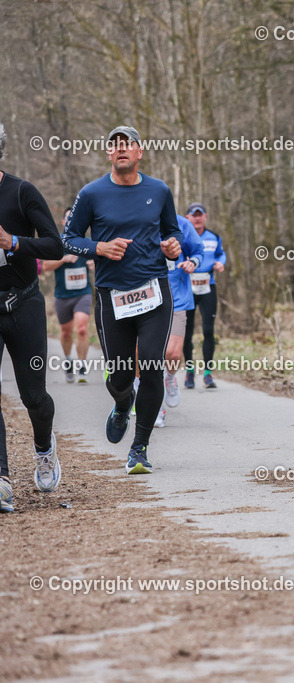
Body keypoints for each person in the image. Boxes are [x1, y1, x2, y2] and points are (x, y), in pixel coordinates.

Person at [63, 125, 182, 475]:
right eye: (114, 145)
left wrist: (173, 246)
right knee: (119, 376)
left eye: (127, 144)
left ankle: (140, 448)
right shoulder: (91, 193)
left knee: (151, 365)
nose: (120, 149)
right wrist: (97, 247)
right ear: (108, 154)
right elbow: (67, 239)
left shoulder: (159, 190)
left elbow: (172, 231)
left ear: (140, 152)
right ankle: (121, 402)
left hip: (153, 291)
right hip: (111, 296)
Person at [0, 120, 64, 511]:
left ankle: (43, 447)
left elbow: (55, 245)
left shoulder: (21, 191)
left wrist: (15, 242)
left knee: (34, 397)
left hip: (23, 302)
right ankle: (2, 478)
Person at [156, 214, 204, 427]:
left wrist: (192, 262)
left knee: (173, 353)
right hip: (146, 300)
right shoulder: (135, 220)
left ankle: (170, 377)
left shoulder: (182, 224)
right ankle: (155, 410)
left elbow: (198, 251)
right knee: (149, 357)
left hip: (178, 299)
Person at [39, 208, 94, 383]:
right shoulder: (57, 242)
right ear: (63, 222)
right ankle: (68, 360)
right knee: (66, 332)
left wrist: (95, 263)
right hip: (62, 295)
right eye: (68, 219)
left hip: (83, 293)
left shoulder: (87, 242)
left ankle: (82, 366)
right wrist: (63, 259)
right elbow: (45, 266)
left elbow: (100, 262)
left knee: (83, 328)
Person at [182, 202, 225, 390]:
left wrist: (219, 263)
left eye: (200, 215)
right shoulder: (182, 237)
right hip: (187, 287)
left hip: (208, 285)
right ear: (188, 218)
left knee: (208, 330)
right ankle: (189, 371)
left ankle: (208, 373)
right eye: (194, 215)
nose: (197, 218)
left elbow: (221, 254)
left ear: (205, 217)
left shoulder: (214, 237)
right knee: (187, 332)